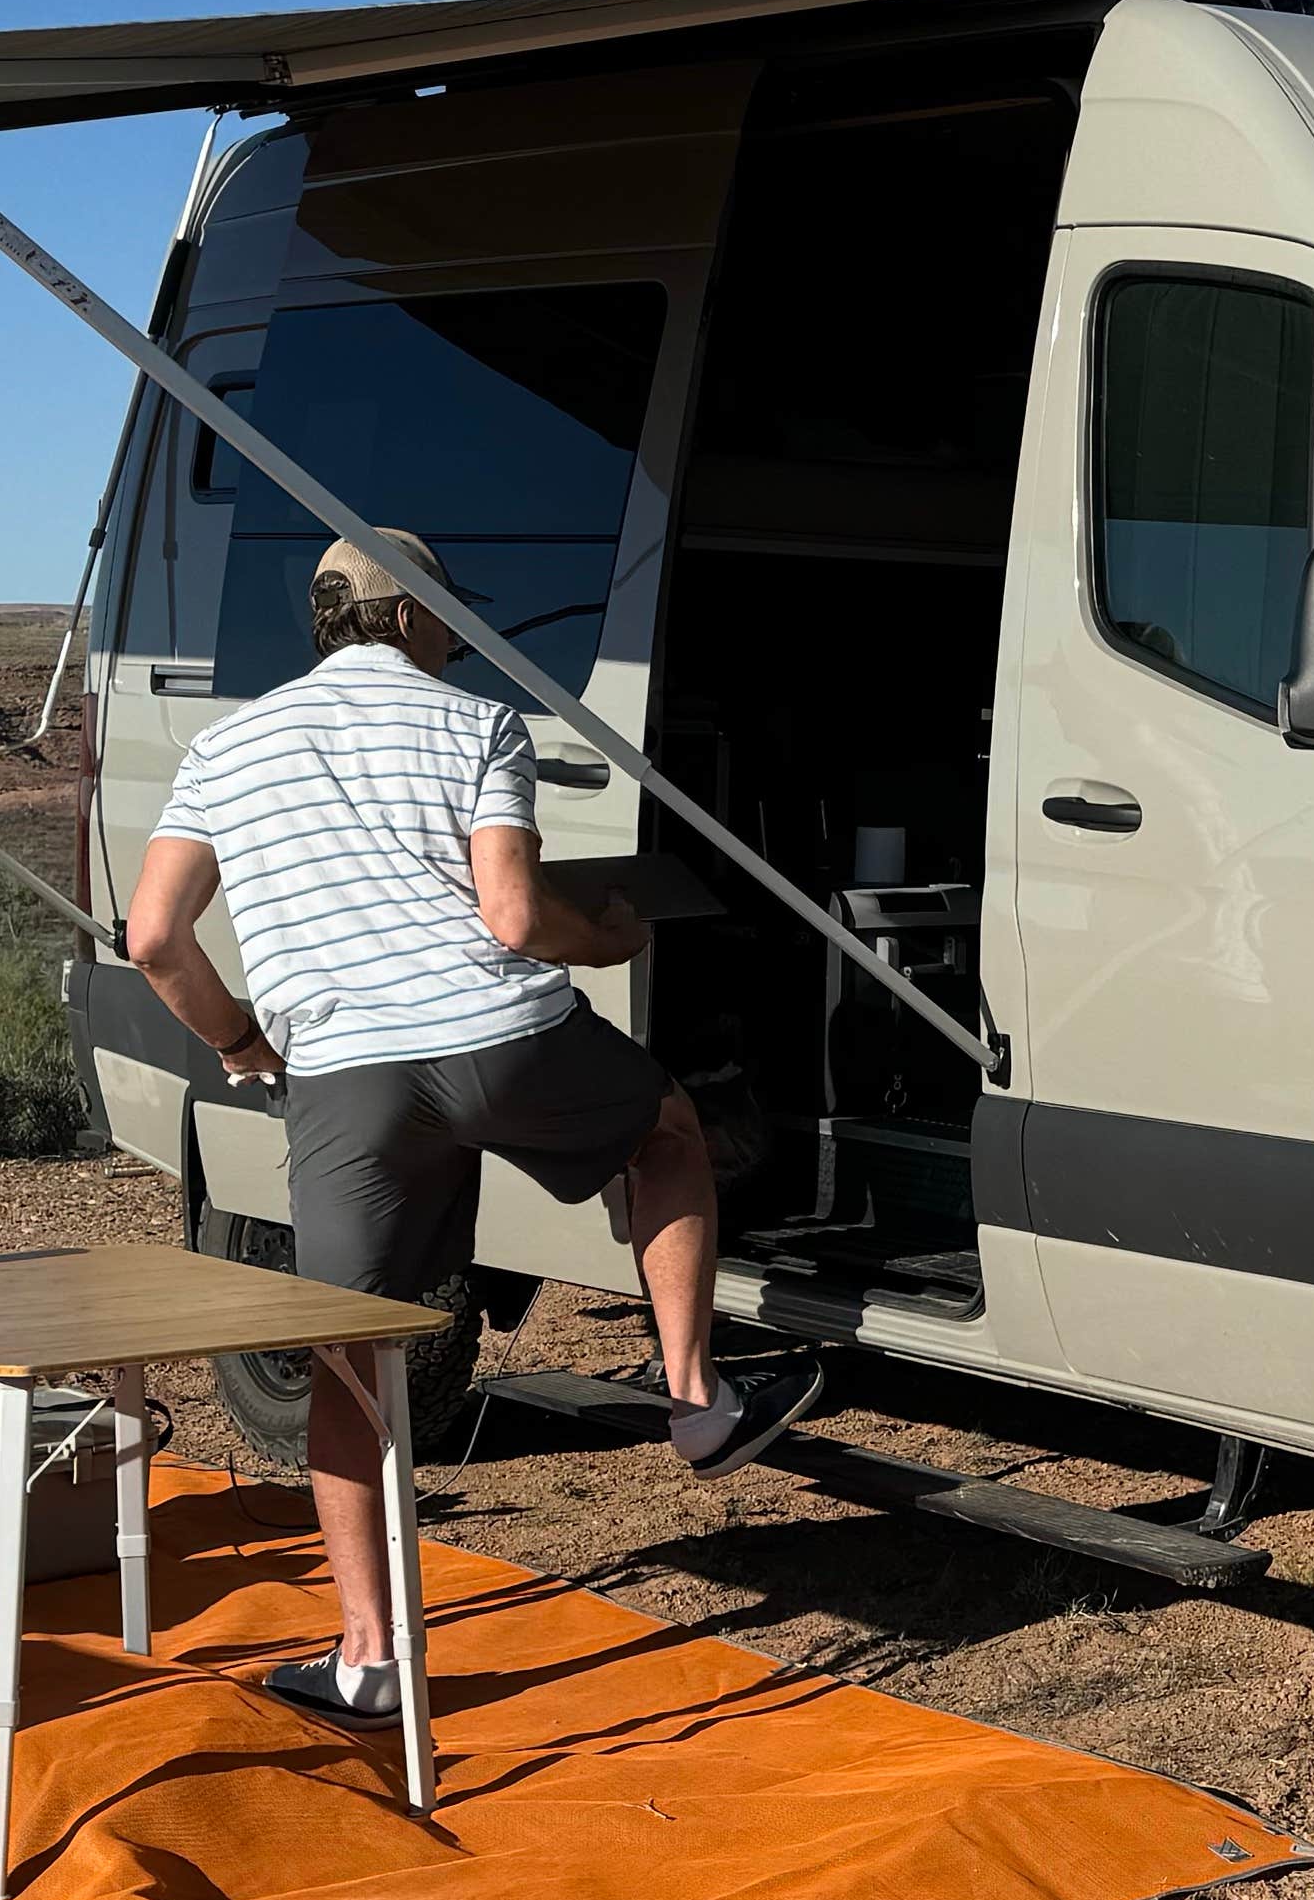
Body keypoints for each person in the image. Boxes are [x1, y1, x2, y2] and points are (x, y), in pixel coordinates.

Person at [123, 528, 818, 1726]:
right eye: (447, 614)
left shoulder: (224, 747)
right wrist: (608, 932)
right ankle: (700, 1402)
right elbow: (511, 917)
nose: (456, 633)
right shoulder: (474, 721)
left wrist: (242, 1042)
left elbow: (152, 941)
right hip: (501, 1039)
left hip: (344, 1072)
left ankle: (370, 1658)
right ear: (409, 619)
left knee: (353, 1358)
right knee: (664, 1132)